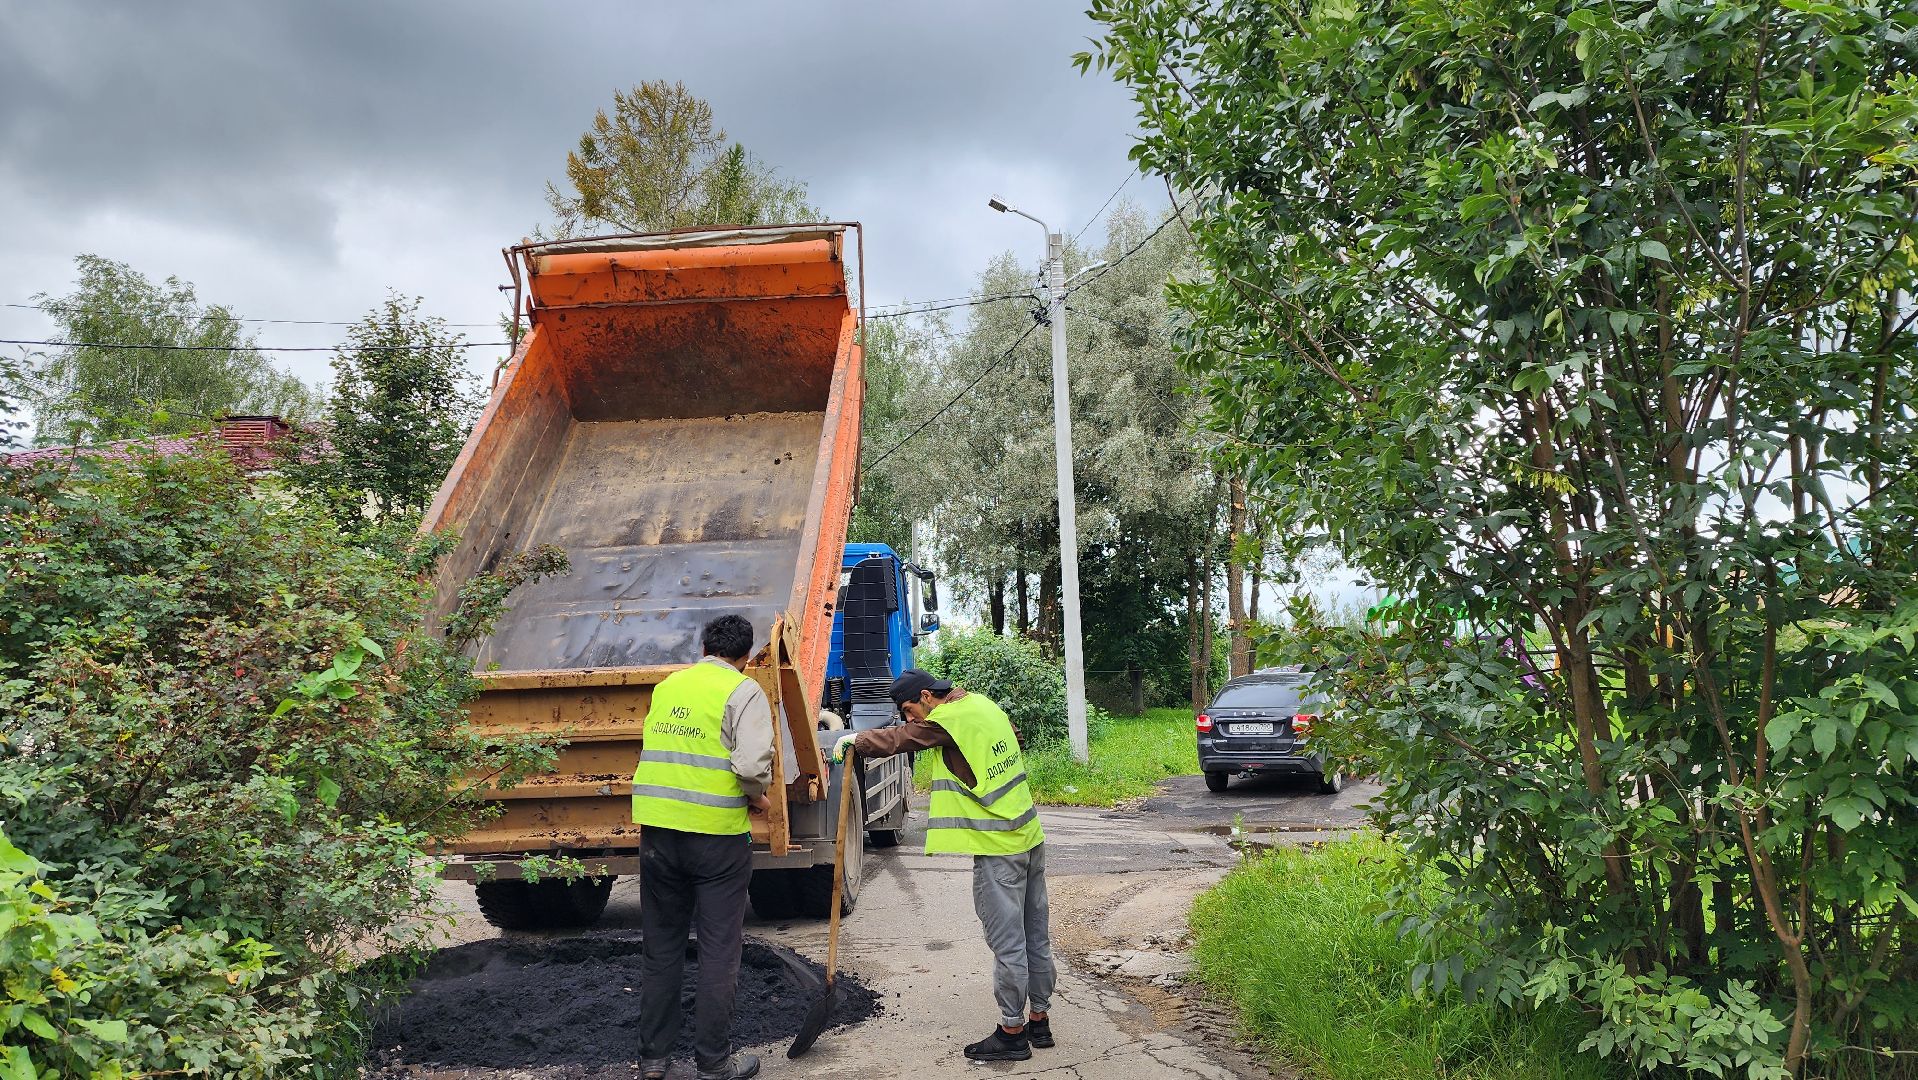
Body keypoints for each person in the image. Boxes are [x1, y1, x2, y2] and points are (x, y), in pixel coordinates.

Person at [831, 669, 1054, 1062]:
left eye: (908, 709)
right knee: (1035, 936)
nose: (909, 719)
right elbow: (1012, 740)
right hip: (1028, 837)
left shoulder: (945, 721)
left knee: (1008, 946)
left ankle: (1012, 1033)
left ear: (926, 697)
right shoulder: (983, 706)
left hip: (999, 847)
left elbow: (904, 740)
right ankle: (1039, 1020)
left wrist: (857, 740)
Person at [631, 614, 774, 1080]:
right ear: (746, 658)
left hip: (658, 834)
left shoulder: (668, 687)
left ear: (704, 646)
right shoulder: (744, 691)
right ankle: (713, 1064)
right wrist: (758, 795)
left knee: (662, 948)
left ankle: (653, 1062)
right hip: (716, 838)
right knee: (717, 951)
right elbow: (752, 763)